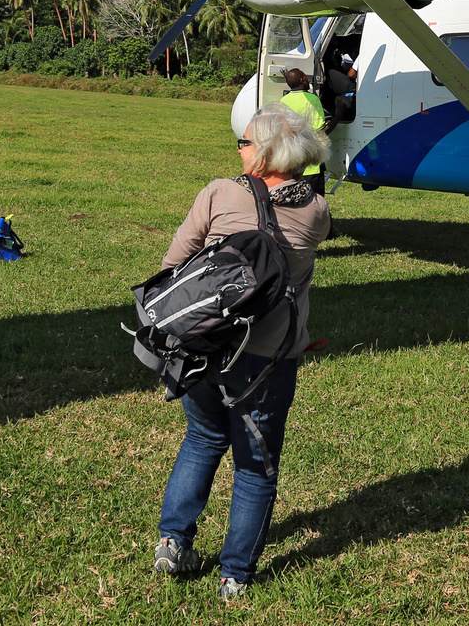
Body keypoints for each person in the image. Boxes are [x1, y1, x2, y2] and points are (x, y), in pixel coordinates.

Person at [152, 105, 332, 599]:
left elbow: (173, 264)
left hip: (204, 348)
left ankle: (174, 543)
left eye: (245, 142)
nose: (239, 148)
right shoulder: (316, 211)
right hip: (269, 359)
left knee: (202, 439)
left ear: (268, 150)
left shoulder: (219, 192)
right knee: (256, 467)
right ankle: (235, 576)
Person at [278, 68, 328, 196]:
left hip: (291, 161)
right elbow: (320, 128)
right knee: (314, 200)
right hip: (310, 164)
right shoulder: (312, 99)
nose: (307, 79)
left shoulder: (284, 100)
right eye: (305, 77)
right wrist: (338, 115)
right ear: (301, 80)